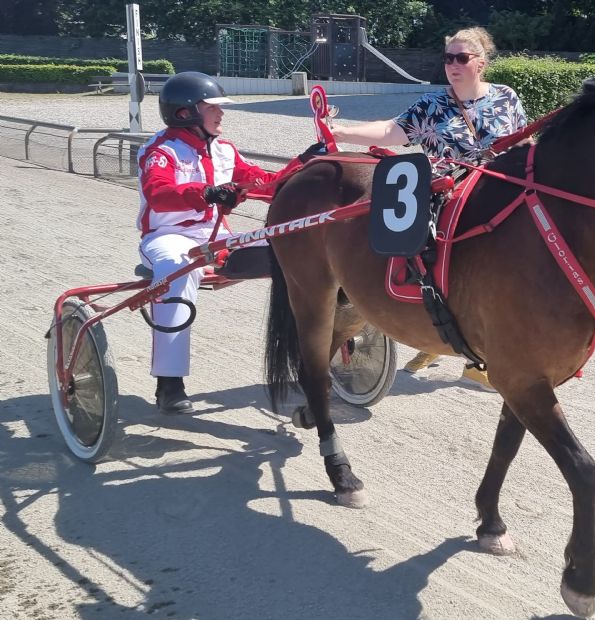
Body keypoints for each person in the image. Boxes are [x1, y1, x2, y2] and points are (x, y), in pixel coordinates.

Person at [330, 27, 527, 389]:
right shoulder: (432, 104)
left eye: (461, 58)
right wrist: (341, 132)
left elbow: (524, 145)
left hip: (497, 195)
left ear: (481, 63)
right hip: (446, 194)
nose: (452, 65)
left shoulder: (506, 98)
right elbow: (392, 131)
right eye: (448, 58)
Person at [137, 71, 314, 413]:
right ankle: (169, 383)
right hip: (168, 237)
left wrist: (303, 165)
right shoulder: (160, 151)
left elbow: (266, 184)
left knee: (300, 248)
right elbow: (158, 194)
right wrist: (205, 193)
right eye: (213, 107)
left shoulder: (225, 151)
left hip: (218, 238)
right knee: (175, 268)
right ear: (186, 112)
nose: (221, 114)